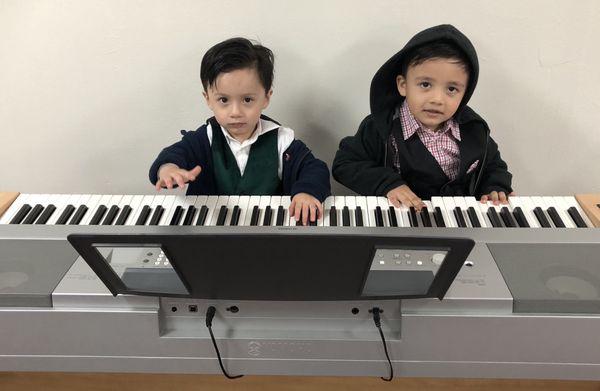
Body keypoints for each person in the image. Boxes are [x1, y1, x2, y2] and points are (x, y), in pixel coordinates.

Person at [149, 38, 330, 225]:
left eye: (247, 100)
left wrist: (306, 192)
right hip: (212, 229)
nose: (235, 112)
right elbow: (175, 153)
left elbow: (315, 169)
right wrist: (168, 169)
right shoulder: (206, 138)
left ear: (266, 97)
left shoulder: (281, 140)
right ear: (208, 99)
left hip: (268, 228)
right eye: (224, 100)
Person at [332, 24, 512, 209]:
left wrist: (495, 186)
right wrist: (387, 184)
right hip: (402, 222)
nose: (437, 99)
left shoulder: (474, 129)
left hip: (458, 221)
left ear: (464, 93)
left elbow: (493, 165)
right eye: (425, 84)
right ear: (403, 85)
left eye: (451, 89)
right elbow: (345, 164)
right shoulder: (381, 127)